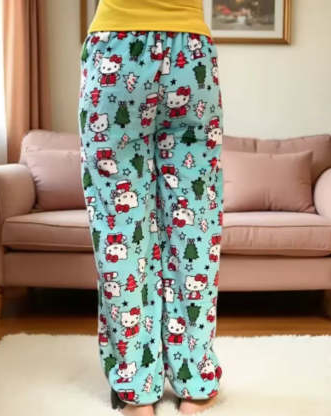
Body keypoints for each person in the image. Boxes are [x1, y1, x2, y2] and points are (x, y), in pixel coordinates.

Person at [78, 1, 224, 415]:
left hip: (117, 49)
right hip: (190, 53)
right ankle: (195, 383)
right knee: (195, 222)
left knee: (120, 228)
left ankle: (138, 390)